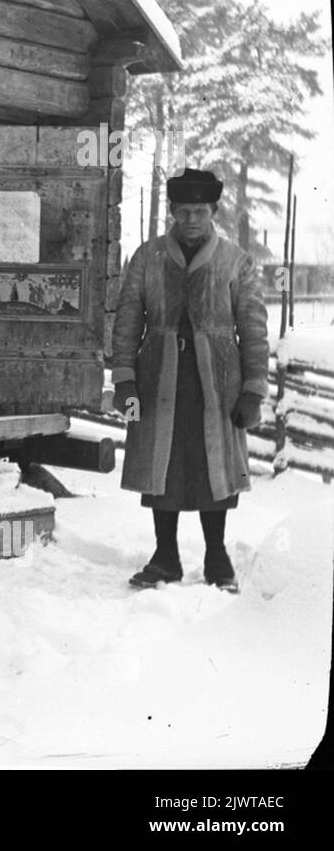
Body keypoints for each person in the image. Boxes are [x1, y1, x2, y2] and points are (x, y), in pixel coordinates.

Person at [111, 167, 268, 593]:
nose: (191, 219)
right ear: (173, 213)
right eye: (183, 211)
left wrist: (254, 389)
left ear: (213, 211)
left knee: (211, 467)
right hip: (159, 378)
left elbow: (253, 328)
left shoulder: (235, 260)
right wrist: (124, 381)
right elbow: (127, 321)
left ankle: (217, 558)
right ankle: (165, 558)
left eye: (199, 211)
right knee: (162, 468)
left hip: (217, 382)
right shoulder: (148, 256)